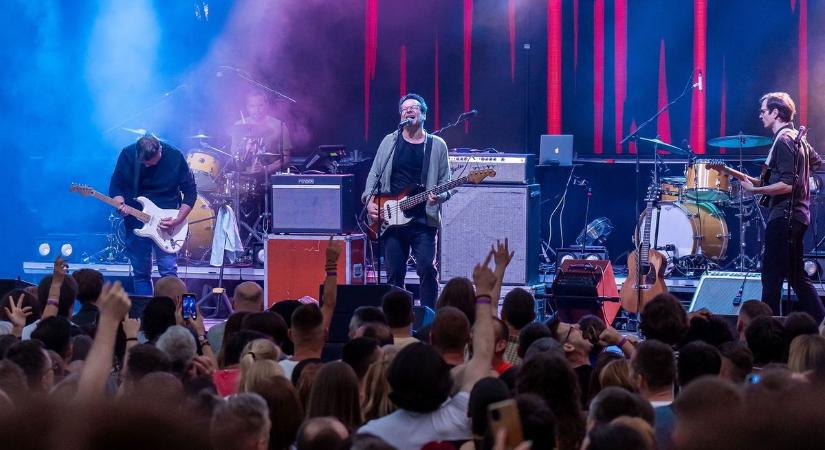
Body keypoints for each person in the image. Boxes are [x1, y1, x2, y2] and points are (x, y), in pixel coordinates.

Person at [735, 92, 824, 322]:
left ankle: (766, 332)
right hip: (798, 216)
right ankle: (820, 320)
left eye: (764, 111)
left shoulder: (784, 141)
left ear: (776, 113)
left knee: (771, 276)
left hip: (784, 216)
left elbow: (788, 183)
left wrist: (755, 190)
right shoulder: (797, 140)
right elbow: (816, 163)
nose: (760, 115)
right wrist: (754, 181)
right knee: (795, 276)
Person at [363, 93, 451, 308]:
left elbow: (446, 183)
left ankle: (429, 319)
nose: (408, 110)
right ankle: (396, 321)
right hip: (391, 218)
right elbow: (374, 174)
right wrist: (369, 200)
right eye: (404, 108)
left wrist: (440, 195)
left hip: (423, 220)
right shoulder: (390, 141)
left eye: (414, 108)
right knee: (394, 274)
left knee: (427, 269)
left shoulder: (437, 145)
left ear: (423, 114)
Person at [109, 134, 197, 295]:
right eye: (145, 163)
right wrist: (119, 202)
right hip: (136, 220)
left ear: (160, 149)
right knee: (141, 274)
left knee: (169, 272)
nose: (148, 167)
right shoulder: (127, 155)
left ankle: (172, 315)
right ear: (138, 155)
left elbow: (190, 192)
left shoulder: (175, 157)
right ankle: (145, 316)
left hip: (167, 223)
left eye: (153, 162)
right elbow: (116, 185)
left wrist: (178, 219)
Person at [229, 90, 292, 175]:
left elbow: (286, 158)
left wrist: (266, 169)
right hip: (244, 178)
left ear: (267, 105)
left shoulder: (280, 126)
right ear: (247, 107)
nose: (257, 110)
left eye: (260, 105)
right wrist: (247, 169)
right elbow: (233, 156)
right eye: (252, 106)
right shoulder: (238, 126)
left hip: (271, 177)